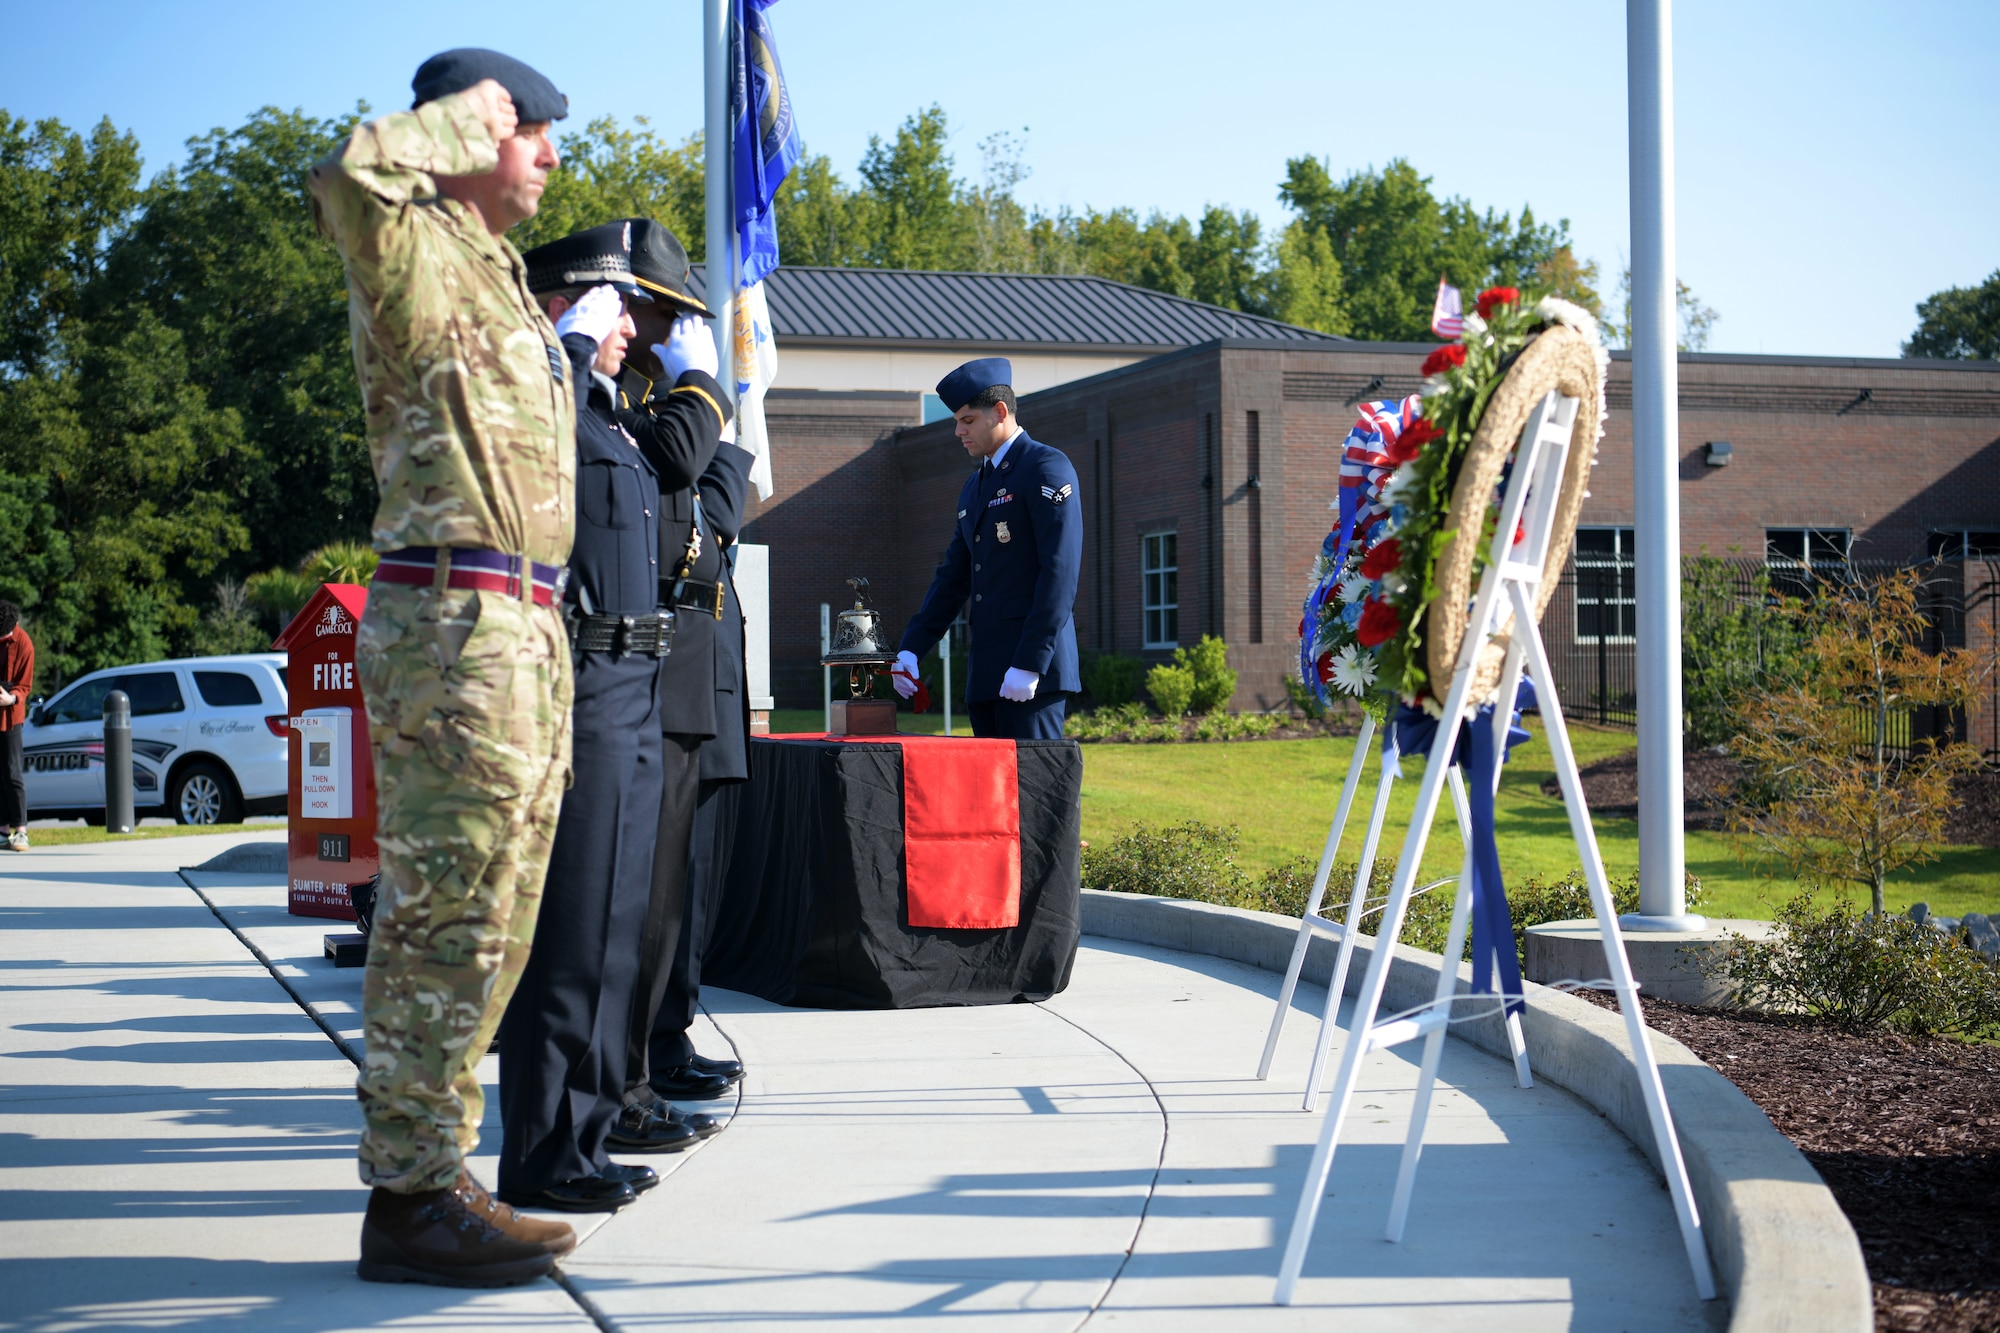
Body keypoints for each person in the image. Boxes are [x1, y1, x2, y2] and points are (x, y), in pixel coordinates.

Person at [309, 48, 580, 1286]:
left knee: (496, 923)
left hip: (518, 628)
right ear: (476, 129)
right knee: (446, 918)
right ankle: (409, 1197)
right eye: (532, 132)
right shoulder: (412, 239)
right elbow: (355, 177)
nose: (548, 157)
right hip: (456, 626)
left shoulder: (495, 271)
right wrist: (457, 121)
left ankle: (435, 1170)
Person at [495, 219, 730, 1212]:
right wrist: (570, 348)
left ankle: (583, 1138)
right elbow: (519, 440)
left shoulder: (602, 415)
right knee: (570, 939)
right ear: (563, 305)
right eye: (610, 309)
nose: (630, 329)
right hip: (581, 686)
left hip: (633, 689)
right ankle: (548, 1150)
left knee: (611, 931)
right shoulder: (548, 398)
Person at [616, 219, 751, 1110]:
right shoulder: (631, 405)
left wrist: (712, 421)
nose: (676, 332)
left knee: (691, 876)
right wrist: (702, 397)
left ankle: (671, 1032)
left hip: (708, 660)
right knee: (652, 881)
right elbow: (686, 483)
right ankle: (638, 1053)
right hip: (661, 663)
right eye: (675, 318)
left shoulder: (675, 411)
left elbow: (724, 508)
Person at [892, 359, 1082, 739]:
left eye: (967, 420)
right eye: (956, 422)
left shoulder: (1044, 468)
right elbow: (954, 576)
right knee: (991, 799)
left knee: (1036, 795)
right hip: (988, 676)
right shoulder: (975, 486)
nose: (958, 431)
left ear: (999, 412)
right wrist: (913, 647)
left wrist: (1030, 662)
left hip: (1032, 677)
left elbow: (1059, 571)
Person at [0, 603, 33, 851]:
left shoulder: (24, 644)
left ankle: (21, 830)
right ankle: (2, 830)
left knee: (12, 772)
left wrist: (10, 698)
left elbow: (24, 686)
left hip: (11, 714)